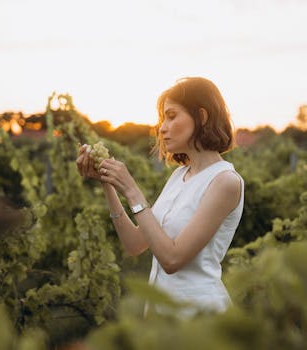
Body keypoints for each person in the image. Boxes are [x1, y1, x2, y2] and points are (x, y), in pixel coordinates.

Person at [76, 77, 244, 316]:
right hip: (161, 319)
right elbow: (134, 244)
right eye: (162, 118)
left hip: (199, 320)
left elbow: (172, 259)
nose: (162, 127)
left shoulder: (225, 181)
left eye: (172, 116)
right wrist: (109, 183)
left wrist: (132, 190)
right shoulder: (179, 176)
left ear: (202, 117)